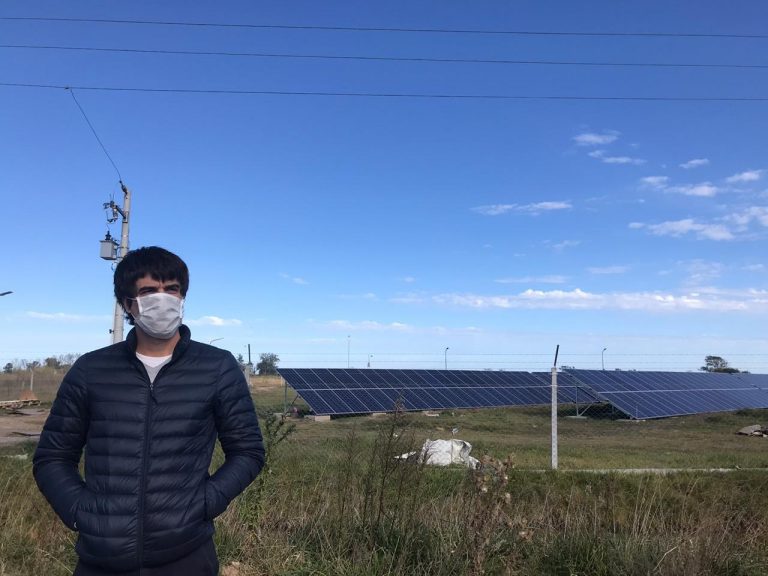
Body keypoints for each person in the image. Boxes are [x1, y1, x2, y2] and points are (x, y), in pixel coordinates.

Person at [33, 246, 265, 575]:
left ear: (183, 298)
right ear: (128, 304)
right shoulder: (91, 370)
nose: (163, 299)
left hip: (187, 556)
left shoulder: (217, 368)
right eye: (148, 291)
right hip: (102, 561)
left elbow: (248, 451)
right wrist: (79, 511)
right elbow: (52, 457)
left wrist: (203, 504)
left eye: (172, 289)